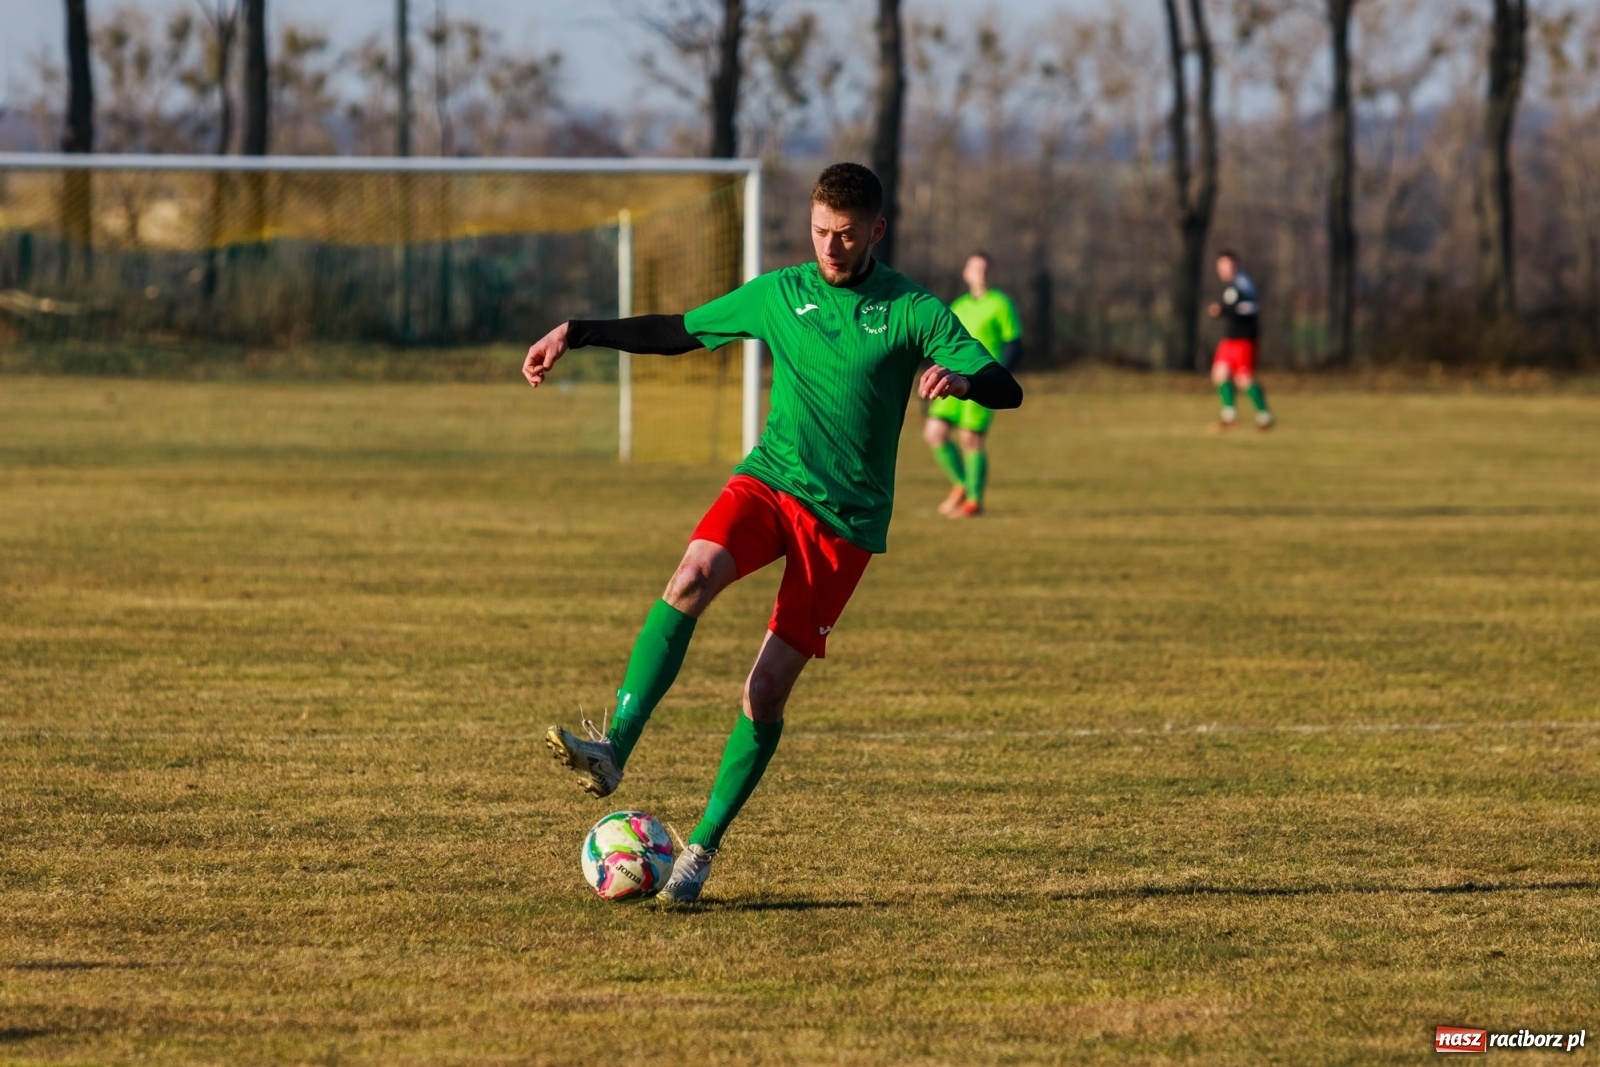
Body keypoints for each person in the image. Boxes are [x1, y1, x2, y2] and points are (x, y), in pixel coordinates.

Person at [523, 163, 1023, 903]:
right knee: (691, 576)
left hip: (845, 522)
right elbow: (679, 331)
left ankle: (700, 849)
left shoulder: (913, 309)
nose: (830, 247)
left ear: (876, 231)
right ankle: (613, 747)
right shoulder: (780, 294)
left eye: (846, 234)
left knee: (764, 691)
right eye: (820, 231)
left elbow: (1007, 387)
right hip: (771, 480)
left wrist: (965, 381)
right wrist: (576, 331)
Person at [923, 252, 1022, 517]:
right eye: (975, 268)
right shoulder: (959, 306)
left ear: (992, 273)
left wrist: (1000, 381)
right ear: (966, 273)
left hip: (981, 381)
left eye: (985, 268)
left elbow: (1014, 344)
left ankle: (973, 502)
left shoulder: (1001, 304)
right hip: (953, 379)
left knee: (971, 438)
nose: (981, 273)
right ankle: (962, 484)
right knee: (934, 433)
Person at [1207, 251, 1275, 432]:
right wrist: (1222, 310)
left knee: (1244, 379)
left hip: (1244, 338)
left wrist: (1225, 310)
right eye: (1221, 266)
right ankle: (1229, 417)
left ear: (1235, 265)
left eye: (1227, 265)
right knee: (1220, 373)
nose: (1223, 269)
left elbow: (1251, 307)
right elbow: (1232, 308)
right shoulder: (1229, 286)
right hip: (1230, 337)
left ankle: (1264, 416)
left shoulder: (1243, 284)